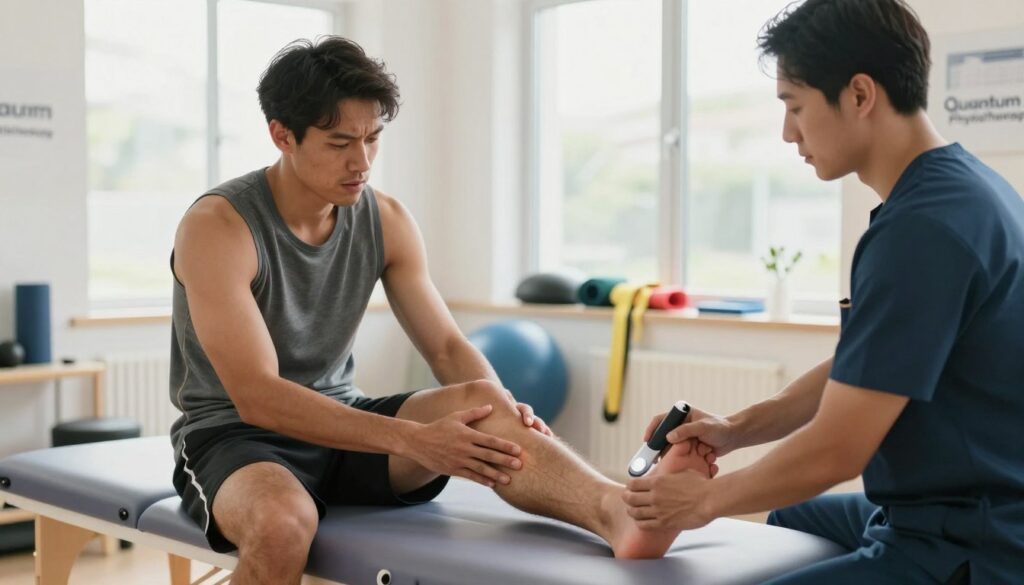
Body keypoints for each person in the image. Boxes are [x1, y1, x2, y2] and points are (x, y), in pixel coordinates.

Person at [168, 36, 711, 584]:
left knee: (482, 401)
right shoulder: (219, 227)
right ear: (282, 135)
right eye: (339, 143)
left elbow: (448, 347)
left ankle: (617, 512)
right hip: (235, 437)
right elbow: (257, 396)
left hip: (345, 427)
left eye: (373, 138)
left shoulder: (387, 220)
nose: (362, 161)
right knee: (284, 526)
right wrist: (409, 439)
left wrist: (507, 410)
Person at [623, 1, 1024, 583]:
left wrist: (701, 503)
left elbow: (838, 450)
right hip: (962, 504)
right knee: (791, 516)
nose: (788, 132)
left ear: (860, 95)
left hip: (971, 540)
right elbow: (865, 365)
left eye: (795, 106)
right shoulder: (962, 192)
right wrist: (736, 429)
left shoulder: (923, 231)